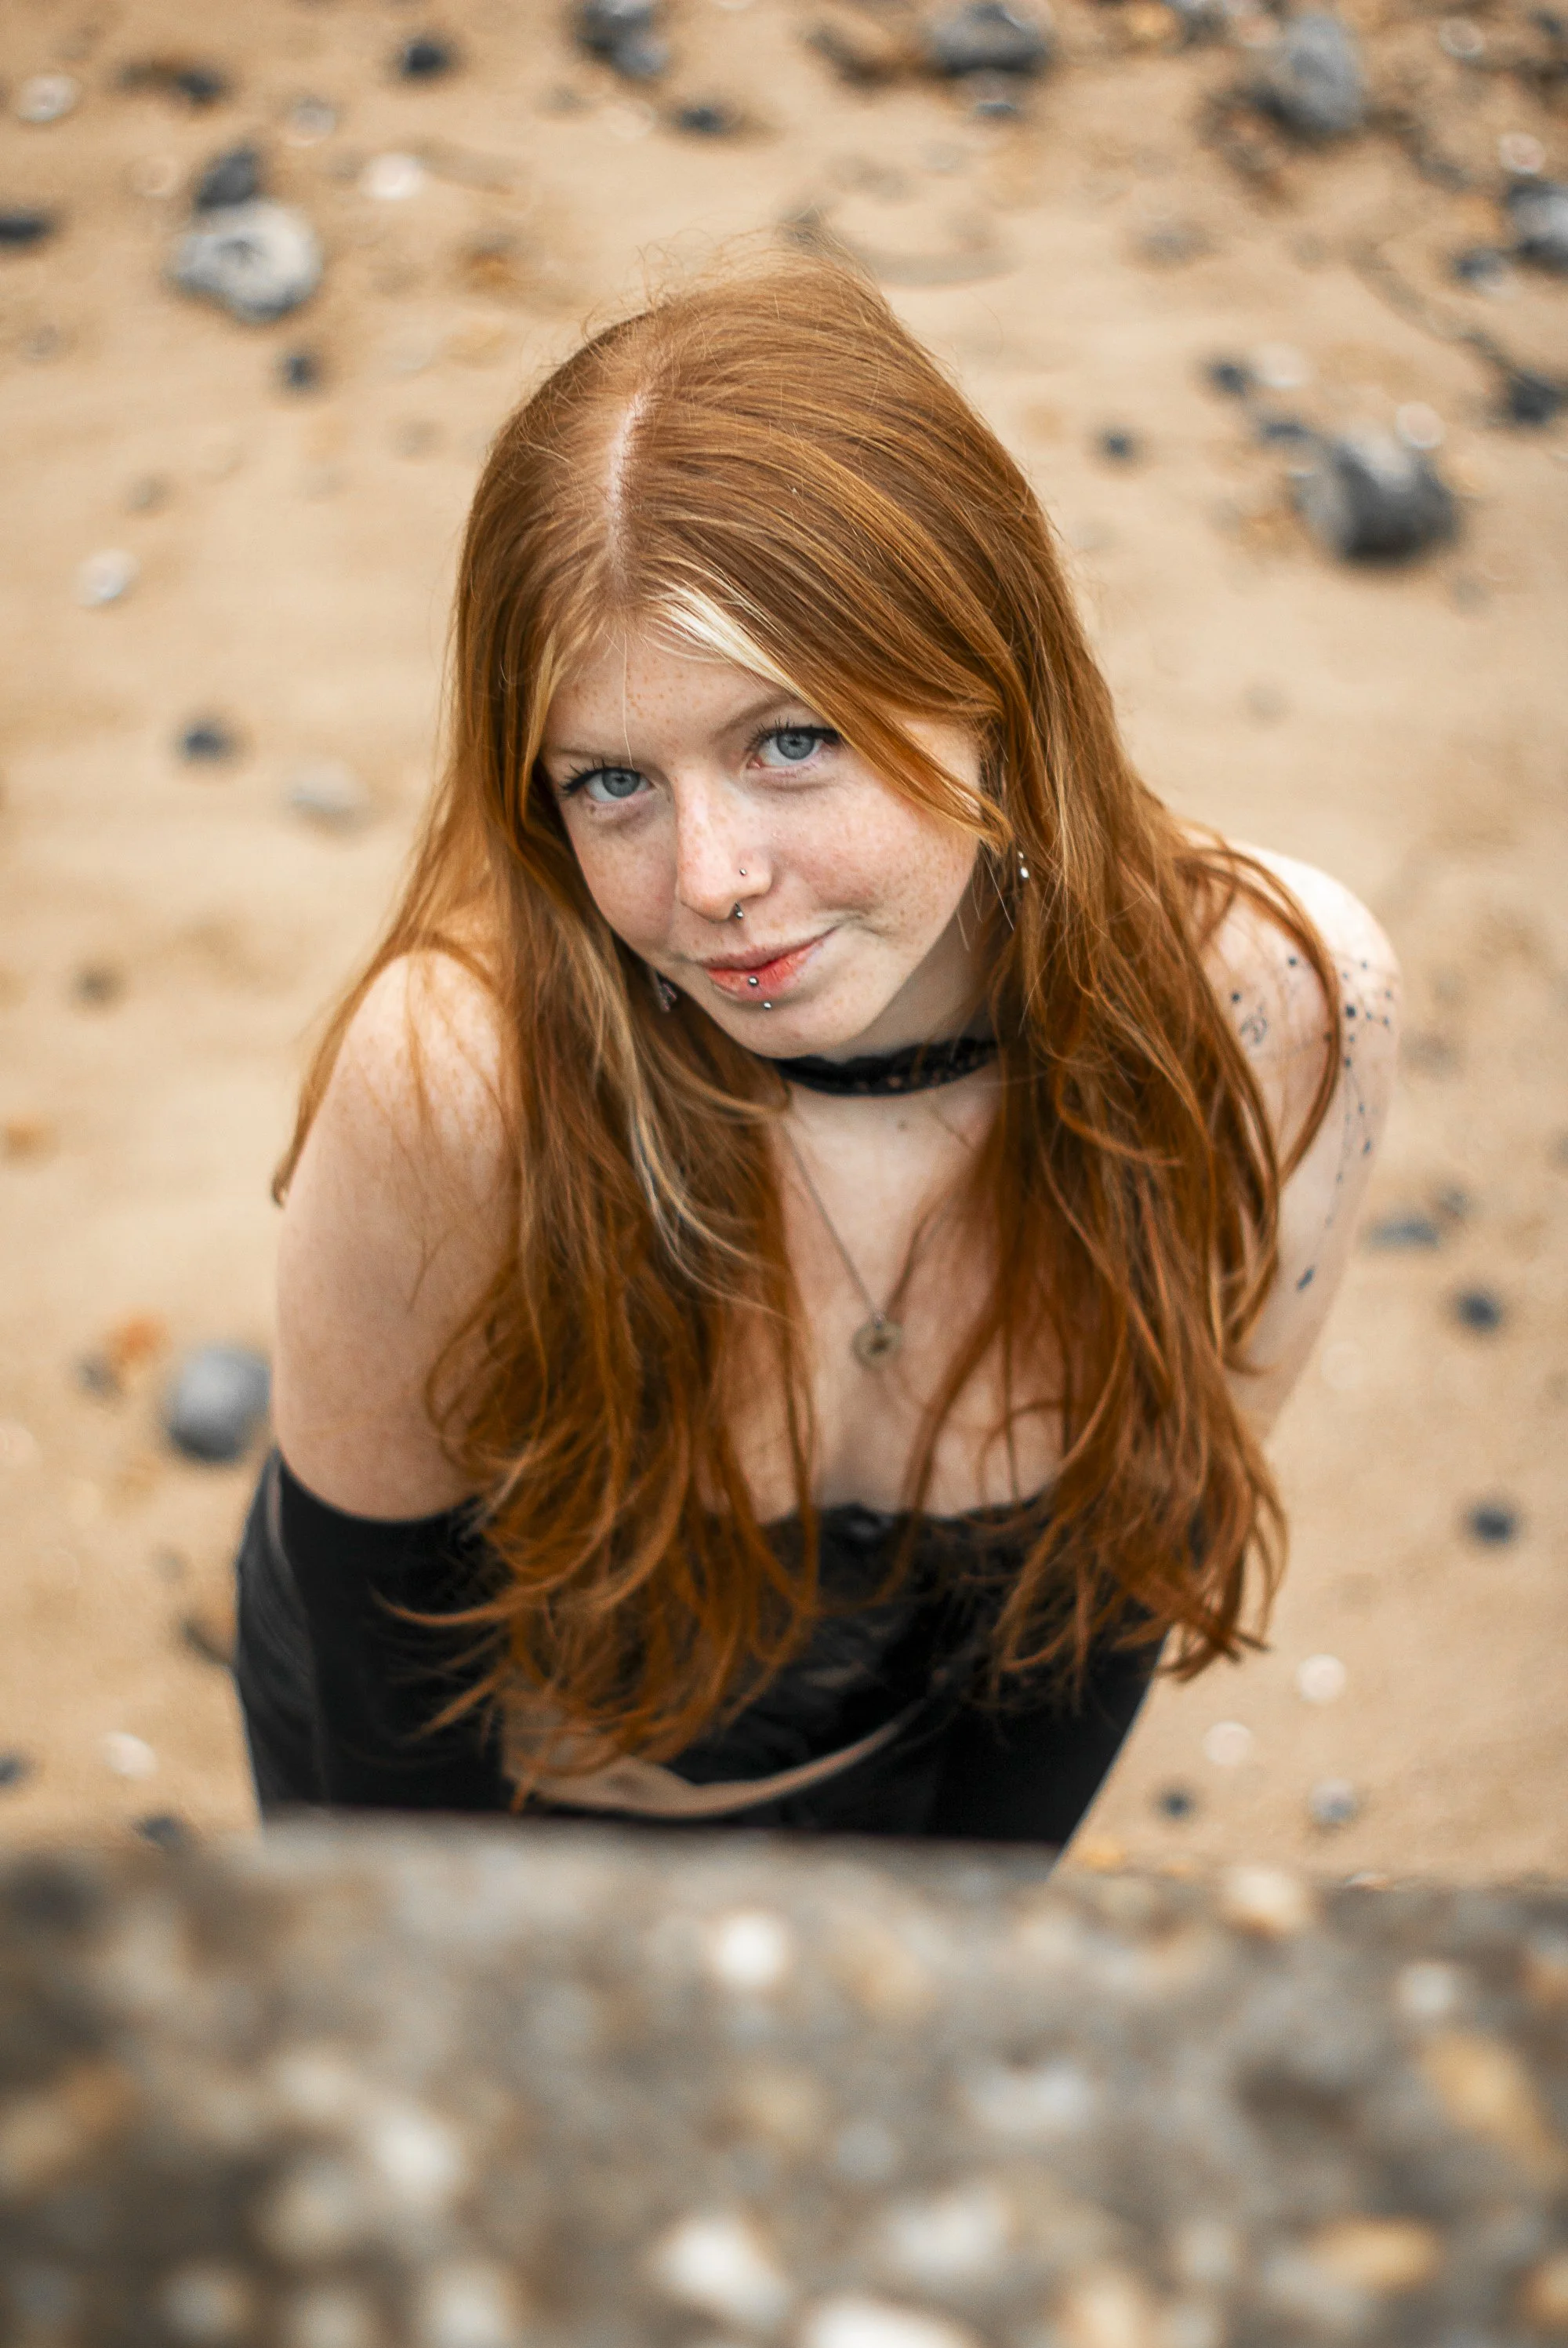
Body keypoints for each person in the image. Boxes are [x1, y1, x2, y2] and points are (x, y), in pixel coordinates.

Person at [234, 255, 1399, 1846]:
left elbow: (1119, 1588)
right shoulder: (458, 1079)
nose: (707, 882)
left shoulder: (1272, 1010)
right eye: (610, 785)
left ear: (988, 679)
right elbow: (385, 1708)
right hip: (476, 1809)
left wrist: (945, 1955)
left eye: (791, 741)